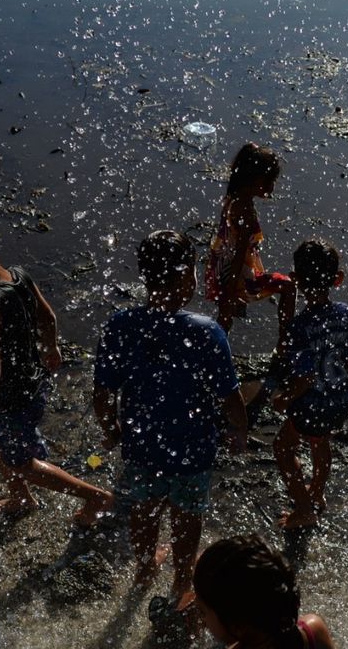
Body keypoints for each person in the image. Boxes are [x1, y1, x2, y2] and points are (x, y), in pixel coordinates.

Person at [94, 230, 248, 600]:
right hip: (193, 450)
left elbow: (102, 394)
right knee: (186, 513)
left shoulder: (121, 325)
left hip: (142, 446)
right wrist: (239, 431)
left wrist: (111, 429)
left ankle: (145, 569)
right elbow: (230, 398)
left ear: (146, 276)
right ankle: (182, 577)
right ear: (185, 277)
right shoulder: (207, 332)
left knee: (144, 509)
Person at [0, 222, 113, 519]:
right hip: (33, 380)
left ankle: (95, 496)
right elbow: (48, 316)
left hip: (10, 395)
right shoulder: (19, 276)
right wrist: (51, 348)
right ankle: (21, 498)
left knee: (21, 462)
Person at [76, 534, 346, 649]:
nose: (201, 618)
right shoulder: (313, 632)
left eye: (203, 612)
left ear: (236, 626)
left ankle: (167, 614)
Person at [272, 238, 348, 529]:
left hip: (311, 401)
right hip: (339, 398)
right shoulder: (346, 314)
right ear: (337, 279)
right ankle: (317, 493)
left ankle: (303, 509)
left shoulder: (300, 326)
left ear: (296, 280)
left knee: (283, 448)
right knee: (320, 442)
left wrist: (285, 398)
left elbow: (305, 377)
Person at [204, 143, 296, 355]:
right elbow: (239, 254)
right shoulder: (244, 211)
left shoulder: (232, 199)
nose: (272, 188)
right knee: (289, 287)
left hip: (222, 269)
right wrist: (230, 288)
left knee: (225, 319)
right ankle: (283, 347)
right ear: (255, 180)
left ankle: (213, 354)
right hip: (237, 276)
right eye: (270, 181)